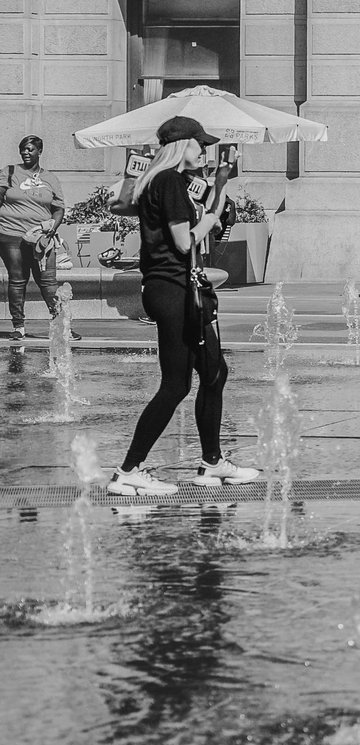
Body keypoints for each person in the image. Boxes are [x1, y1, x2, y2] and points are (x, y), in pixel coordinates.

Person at [107, 116, 259, 497]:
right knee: (175, 385)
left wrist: (220, 185)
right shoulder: (169, 180)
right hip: (172, 289)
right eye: (199, 144)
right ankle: (129, 470)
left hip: (178, 287)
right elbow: (184, 241)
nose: (204, 151)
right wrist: (209, 218)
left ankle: (212, 463)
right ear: (181, 145)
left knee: (214, 373)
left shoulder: (163, 181)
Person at [0, 135, 79, 341]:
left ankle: (62, 326)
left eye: (30, 149)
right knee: (17, 280)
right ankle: (19, 327)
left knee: (48, 282)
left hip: (41, 238)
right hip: (11, 234)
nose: (26, 153)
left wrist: (53, 226)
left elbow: (59, 208)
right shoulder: (9, 172)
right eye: (23, 149)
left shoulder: (50, 178)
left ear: (39, 152)